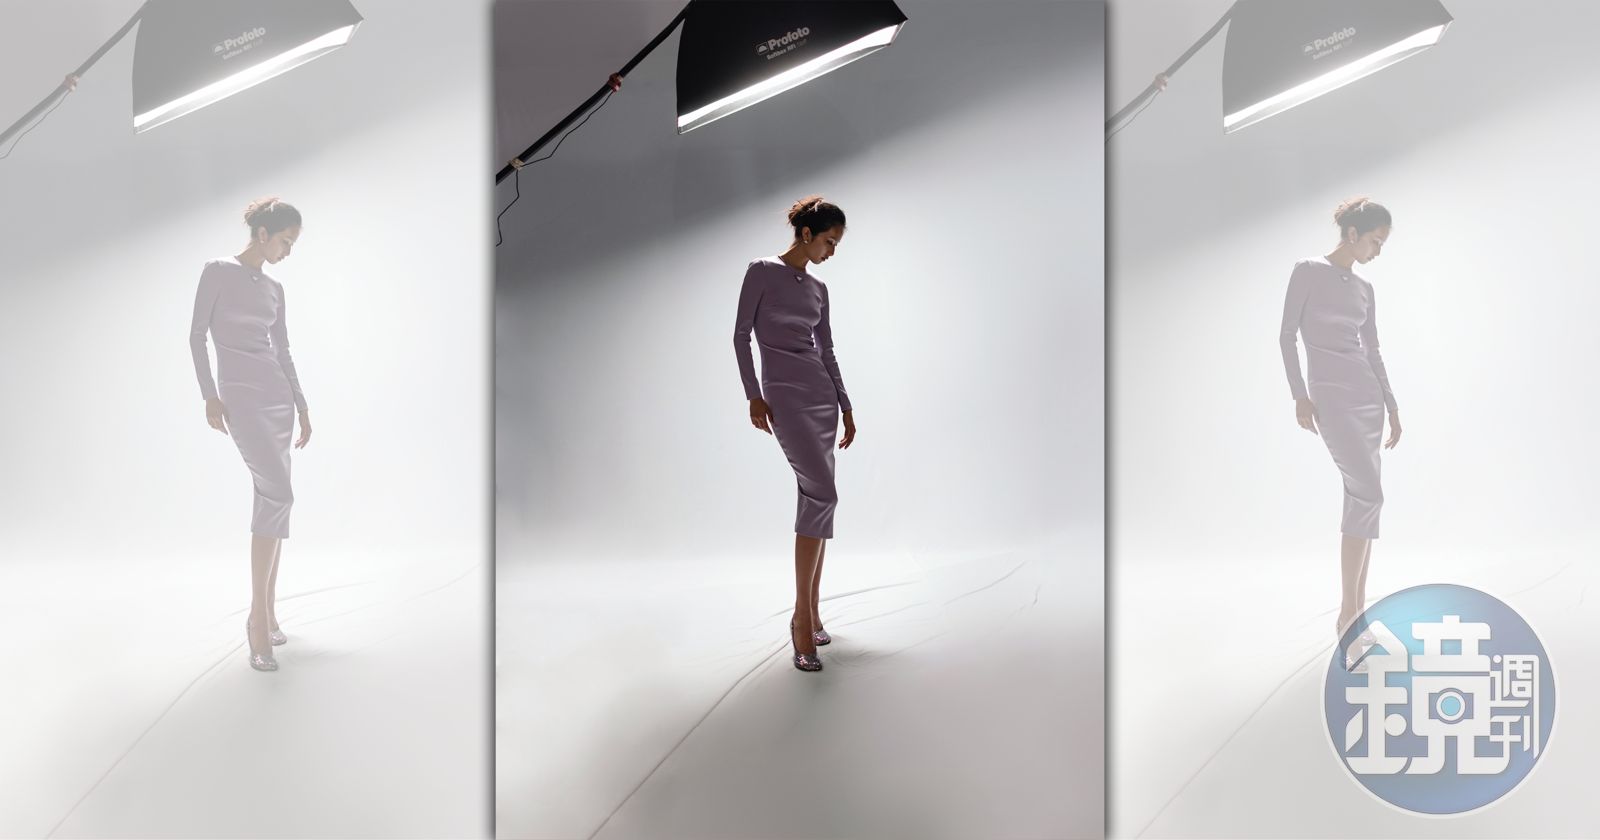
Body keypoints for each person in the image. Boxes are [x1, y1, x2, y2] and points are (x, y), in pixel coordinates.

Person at [734, 195, 857, 672]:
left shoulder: (820, 289)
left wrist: (845, 404)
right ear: (806, 234)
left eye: (837, 244)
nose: (832, 251)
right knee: (821, 495)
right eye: (829, 241)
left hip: (821, 397)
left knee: (819, 500)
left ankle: (814, 612)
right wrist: (753, 394)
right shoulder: (761, 271)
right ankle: (801, 620)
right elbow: (741, 335)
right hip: (784, 396)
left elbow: (827, 351)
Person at [189, 197, 313, 672]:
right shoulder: (217, 271)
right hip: (240, 399)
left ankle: (270, 612)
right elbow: (196, 335)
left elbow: (283, 350)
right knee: (278, 494)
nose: (288, 251)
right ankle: (257, 620)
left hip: (278, 399)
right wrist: (209, 395)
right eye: (285, 241)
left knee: (274, 500)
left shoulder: (276, 289)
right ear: (263, 234)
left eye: (292, 244)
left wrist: (301, 405)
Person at [1278, 197, 1402, 669]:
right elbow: (1286, 336)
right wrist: (1299, 395)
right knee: (1368, 494)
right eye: (1375, 241)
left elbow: (1373, 350)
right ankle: (1348, 618)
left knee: (1364, 501)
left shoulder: (1366, 288)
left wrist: (1392, 405)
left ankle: (1356, 617)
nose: (1378, 251)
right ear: (1352, 234)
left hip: (1368, 399)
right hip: (1330, 399)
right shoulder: (1308, 271)